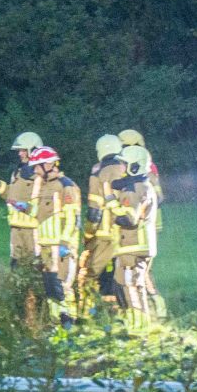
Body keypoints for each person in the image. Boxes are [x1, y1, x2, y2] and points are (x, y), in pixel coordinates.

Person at [27, 147, 83, 328]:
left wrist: (65, 243)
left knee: (62, 286)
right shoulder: (44, 185)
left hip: (60, 247)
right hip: (46, 246)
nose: (34, 170)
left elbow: (73, 217)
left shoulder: (66, 186)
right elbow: (39, 213)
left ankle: (70, 323)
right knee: (50, 286)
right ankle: (55, 323)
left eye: (37, 166)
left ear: (49, 164)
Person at [112, 144, 161, 327]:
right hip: (133, 246)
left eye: (124, 164)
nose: (120, 167)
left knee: (133, 286)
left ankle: (140, 328)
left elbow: (128, 220)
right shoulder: (137, 186)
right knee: (124, 284)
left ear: (134, 166)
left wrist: (111, 206)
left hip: (134, 246)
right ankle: (133, 322)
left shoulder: (135, 189)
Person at [0, 131, 43, 269]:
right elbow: (12, 195)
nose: (19, 154)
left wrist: (27, 207)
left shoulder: (40, 175)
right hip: (16, 228)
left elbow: (45, 203)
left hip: (32, 228)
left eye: (23, 150)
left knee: (35, 266)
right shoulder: (17, 172)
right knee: (15, 265)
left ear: (32, 150)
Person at [83, 135, 127, 317]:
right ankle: (126, 313)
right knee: (123, 277)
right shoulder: (127, 170)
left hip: (105, 233)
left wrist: (88, 235)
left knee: (90, 274)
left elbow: (94, 212)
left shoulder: (98, 175)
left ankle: (87, 314)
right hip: (127, 233)